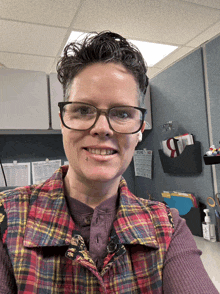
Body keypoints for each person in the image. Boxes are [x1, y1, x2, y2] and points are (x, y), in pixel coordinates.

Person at [0, 31, 218, 294]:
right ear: (62, 120)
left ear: (140, 129)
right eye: (82, 110)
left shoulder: (168, 227)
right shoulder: (7, 218)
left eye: (123, 113)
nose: (102, 128)